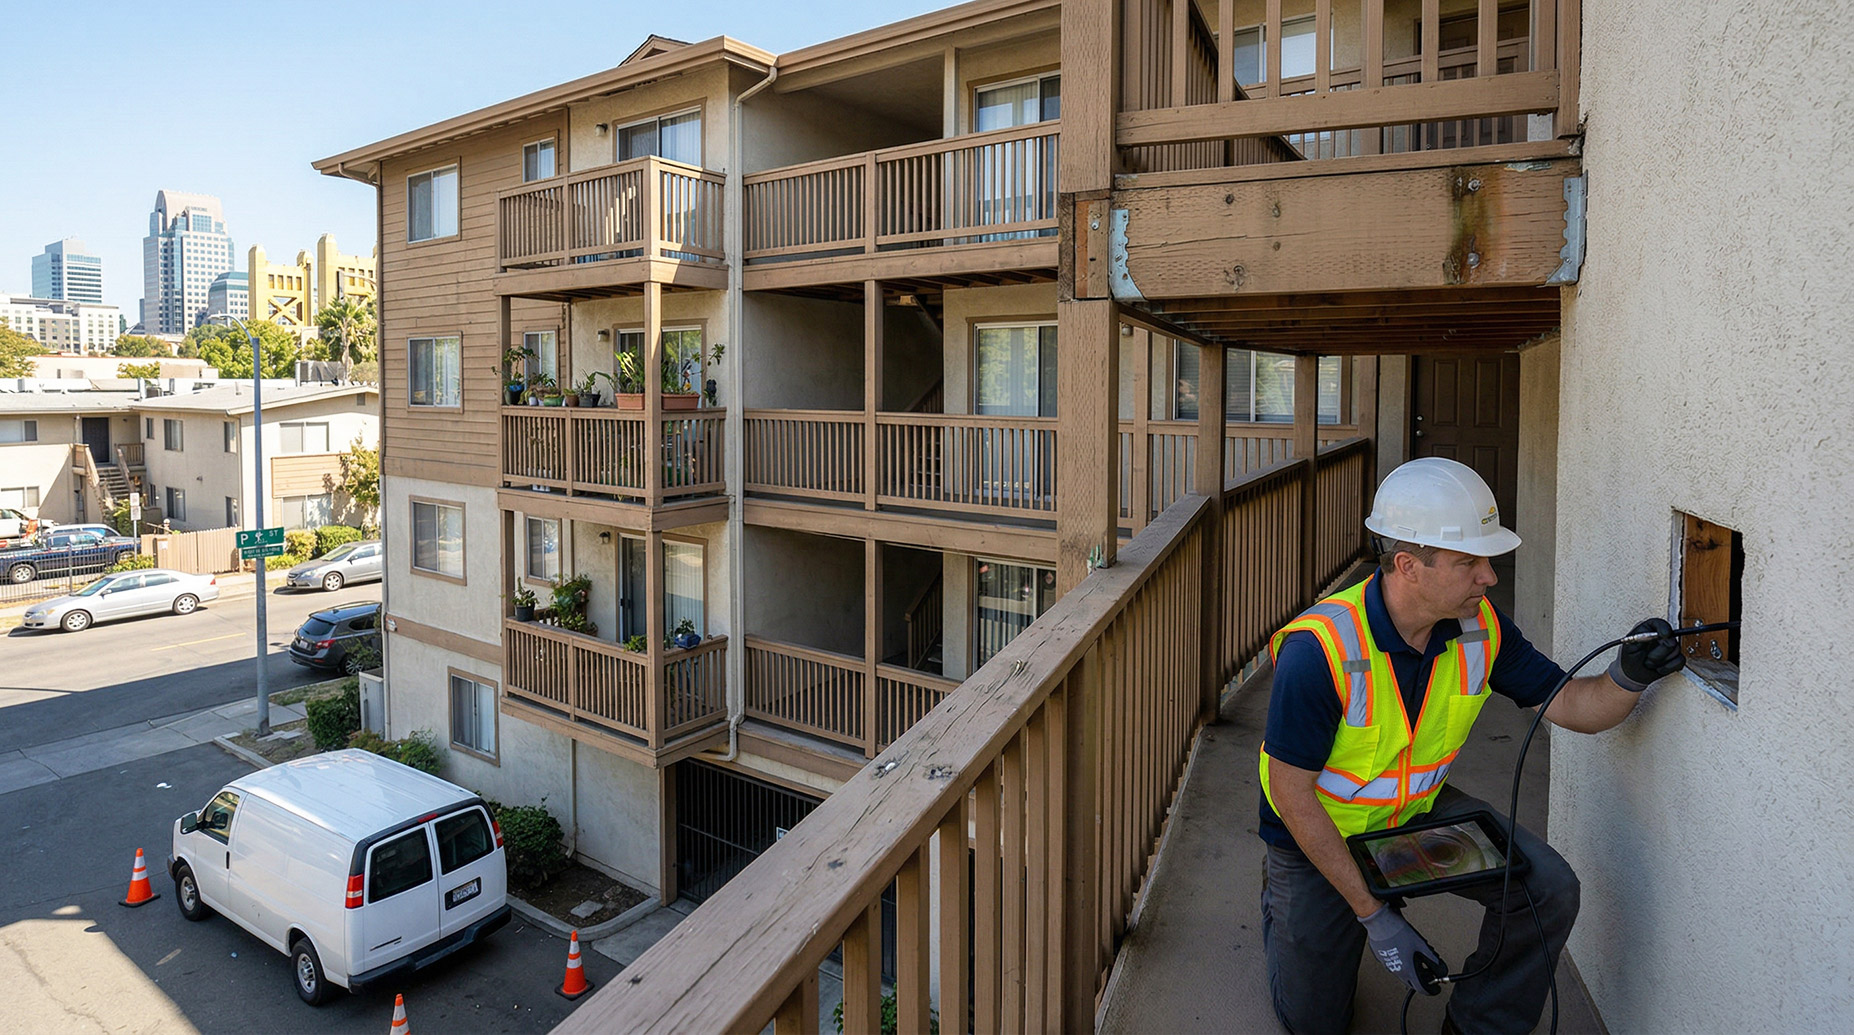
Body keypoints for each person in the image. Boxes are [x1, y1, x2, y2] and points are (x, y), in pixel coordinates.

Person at [1257, 457, 1685, 1034]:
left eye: (1487, 560)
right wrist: (1374, 915)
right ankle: (1288, 909)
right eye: (1469, 562)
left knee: (1547, 889)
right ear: (1408, 566)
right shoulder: (1321, 649)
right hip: (1319, 837)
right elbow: (1291, 794)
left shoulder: (1481, 625)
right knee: (1315, 1023)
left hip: (1414, 816)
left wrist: (1628, 675)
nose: (1489, 576)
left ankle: (1479, 1026)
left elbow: (1572, 706)